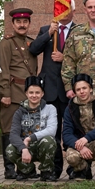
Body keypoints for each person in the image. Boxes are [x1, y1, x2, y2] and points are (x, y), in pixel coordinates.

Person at [30, 12, 75, 179]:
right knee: (51, 132)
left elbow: (83, 58)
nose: (64, 13)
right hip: (49, 90)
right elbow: (33, 49)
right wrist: (48, 33)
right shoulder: (46, 29)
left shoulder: (78, 31)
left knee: (72, 130)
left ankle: (74, 168)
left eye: (67, 9)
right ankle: (53, 169)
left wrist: (65, 59)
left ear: (73, 12)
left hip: (69, 89)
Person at [0, 8, 38, 179]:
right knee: (8, 131)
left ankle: (25, 168)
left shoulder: (31, 42)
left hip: (28, 96)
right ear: (12, 24)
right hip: (12, 94)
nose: (22, 25)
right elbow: (2, 70)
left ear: (29, 24)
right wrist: (5, 93)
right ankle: (9, 168)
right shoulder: (6, 43)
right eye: (18, 22)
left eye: (25, 22)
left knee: (26, 133)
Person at [6, 77, 59, 181]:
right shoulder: (19, 112)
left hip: (42, 146)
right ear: (26, 93)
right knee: (10, 150)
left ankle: (46, 171)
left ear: (42, 94)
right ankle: (28, 171)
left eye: (37, 93)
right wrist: (23, 148)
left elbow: (52, 130)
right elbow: (13, 135)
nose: (34, 95)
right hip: (26, 148)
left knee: (49, 140)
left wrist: (29, 138)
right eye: (31, 92)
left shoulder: (50, 109)